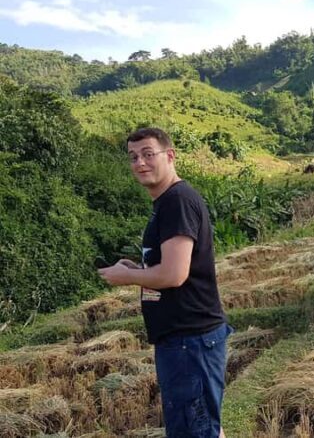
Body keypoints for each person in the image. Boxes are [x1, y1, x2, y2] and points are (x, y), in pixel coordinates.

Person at [98, 127, 231, 438]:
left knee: (194, 431)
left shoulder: (177, 201)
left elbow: (174, 275)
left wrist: (127, 277)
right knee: (205, 428)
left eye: (148, 154)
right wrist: (138, 267)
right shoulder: (169, 202)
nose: (140, 163)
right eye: (133, 157)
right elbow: (170, 267)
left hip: (189, 340)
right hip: (187, 339)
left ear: (170, 156)